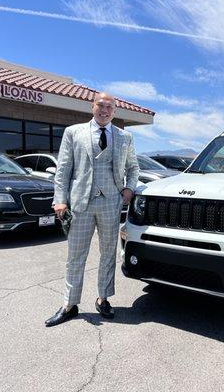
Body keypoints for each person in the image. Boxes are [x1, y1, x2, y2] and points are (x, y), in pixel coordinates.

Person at [45, 92, 139, 327]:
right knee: (75, 256)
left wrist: (129, 189)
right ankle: (69, 304)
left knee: (108, 254)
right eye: (101, 105)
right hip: (80, 203)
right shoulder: (73, 132)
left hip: (110, 203)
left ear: (115, 111)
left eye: (110, 107)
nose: (105, 110)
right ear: (92, 106)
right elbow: (63, 170)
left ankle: (103, 298)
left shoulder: (124, 136)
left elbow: (133, 167)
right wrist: (60, 199)